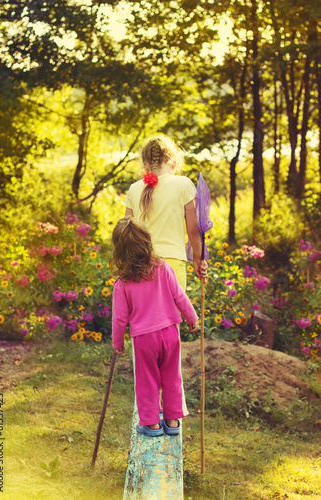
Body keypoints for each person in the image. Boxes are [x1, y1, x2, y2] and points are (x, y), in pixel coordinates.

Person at [111, 216, 199, 436]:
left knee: (147, 379)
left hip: (144, 339)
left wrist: (118, 342)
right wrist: (192, 319)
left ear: (119, 252)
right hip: (170, 332)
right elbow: (180, 296)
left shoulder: (122, 284)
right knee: (171, 376)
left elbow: (119, 318)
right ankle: (172, 422)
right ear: (147, 243)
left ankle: (151, 423)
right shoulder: (163, 268)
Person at [124, 134, 207, 291]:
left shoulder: (134, 189)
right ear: (174, 163)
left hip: (141, 264)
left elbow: (126, 231)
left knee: (146, 314)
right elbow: (193, 230)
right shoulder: (183, 184)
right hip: (173, 262)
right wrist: (198, 258)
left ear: (144, 165)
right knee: (173, 314)